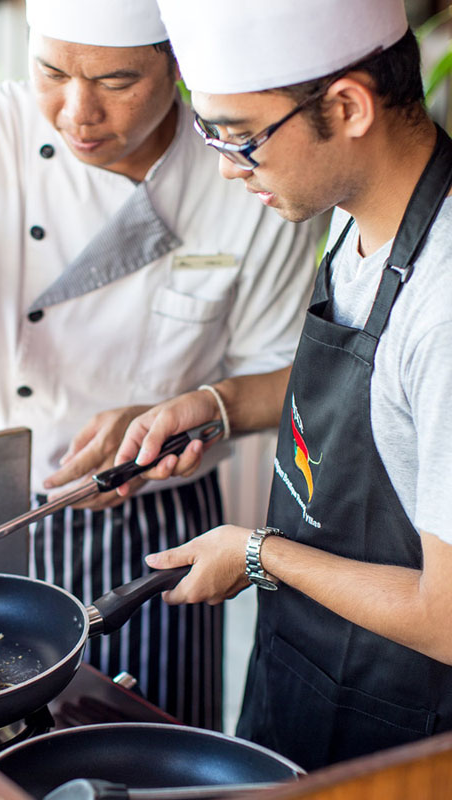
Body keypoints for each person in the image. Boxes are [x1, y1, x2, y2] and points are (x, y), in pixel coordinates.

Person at [0, 0, 316, 725]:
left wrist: (205, 407)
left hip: (160, 524)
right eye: (50, 71)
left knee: (152, 740)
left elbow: (287, 379)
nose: (77, 112)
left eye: (117, 81)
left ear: (179, 67)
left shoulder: (245, 176)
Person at [114, 0, 452, 767]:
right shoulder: (358, 208)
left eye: (243, 140)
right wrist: (220, 406)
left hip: (403, 736)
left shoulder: (444, 306)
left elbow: (448, 615)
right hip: (305, 666)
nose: (231, 171)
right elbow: (379, 407)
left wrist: (261, 554)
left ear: (347, 106)